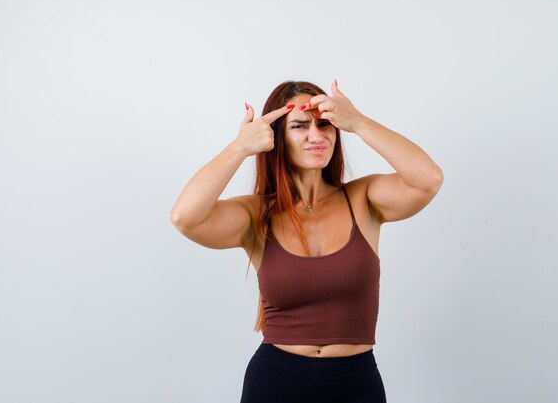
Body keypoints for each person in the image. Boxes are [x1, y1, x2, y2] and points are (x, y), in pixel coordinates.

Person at [170, 80, 444, 403]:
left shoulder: (363, 200)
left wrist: (358, 122)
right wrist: (239, 148)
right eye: (300, 126)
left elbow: (429, 179)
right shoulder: (257, 215)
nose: (317, 135)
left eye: (324, 124)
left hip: (356, 384)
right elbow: (184, 216)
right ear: (277, 138)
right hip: (274, 382)